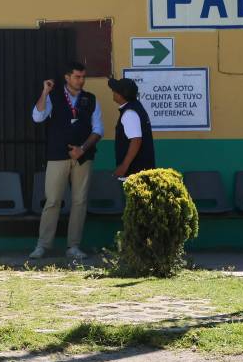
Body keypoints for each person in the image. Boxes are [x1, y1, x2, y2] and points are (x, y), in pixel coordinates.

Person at [29, 61, 102, 261]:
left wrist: (82, 149)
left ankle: (73, 246)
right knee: (52, 201)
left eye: (83, 77)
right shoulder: (53, 96)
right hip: (57, 156)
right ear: (67, 77)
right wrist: (44, 92)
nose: (81, 80)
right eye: (77, 76)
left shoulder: (90, 99)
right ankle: (42, 245)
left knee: (80, 201)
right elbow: (37, 117)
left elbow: (98, 130)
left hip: (83, 156)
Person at [108, 77, 156, 178]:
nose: (113, 92)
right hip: (141, 171)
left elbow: (136, 140)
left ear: (121, 95)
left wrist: (124, 166)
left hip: (134, 172)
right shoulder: (136, 107)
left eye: (115, 90)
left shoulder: (129, 113)